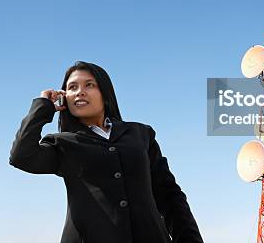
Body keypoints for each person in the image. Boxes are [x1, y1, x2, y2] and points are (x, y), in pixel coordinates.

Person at [10, 61, 204, 243]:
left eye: (89, 85)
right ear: (64, 98)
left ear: (105, 92)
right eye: (72, 87)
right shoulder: (62, 144)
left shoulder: (140, 134)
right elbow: (21, 156)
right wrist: (43, 106)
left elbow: (170, 195)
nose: (80, 92)